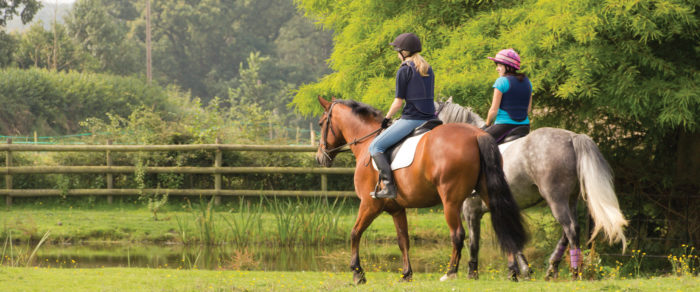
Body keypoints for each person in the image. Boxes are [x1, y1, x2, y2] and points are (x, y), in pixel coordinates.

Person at [368, 32, 436, 199]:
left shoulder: (404, 70)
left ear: (404, 52)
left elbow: (398, 102)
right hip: (431, 118)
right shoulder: (427, 67)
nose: (396, 54)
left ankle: (389, 187)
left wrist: (386, 120)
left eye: (397, 50)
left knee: (375, 147)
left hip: (412, 119)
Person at [483, 48, 532, 143]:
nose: (497, 68)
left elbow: (493, 110)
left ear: (509, 67)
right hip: (524, 126)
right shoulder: (527, 81)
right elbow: (528, 110)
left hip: (504, 126)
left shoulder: (501, 81)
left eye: (500, 65)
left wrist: (487, 124)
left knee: (479, 141)